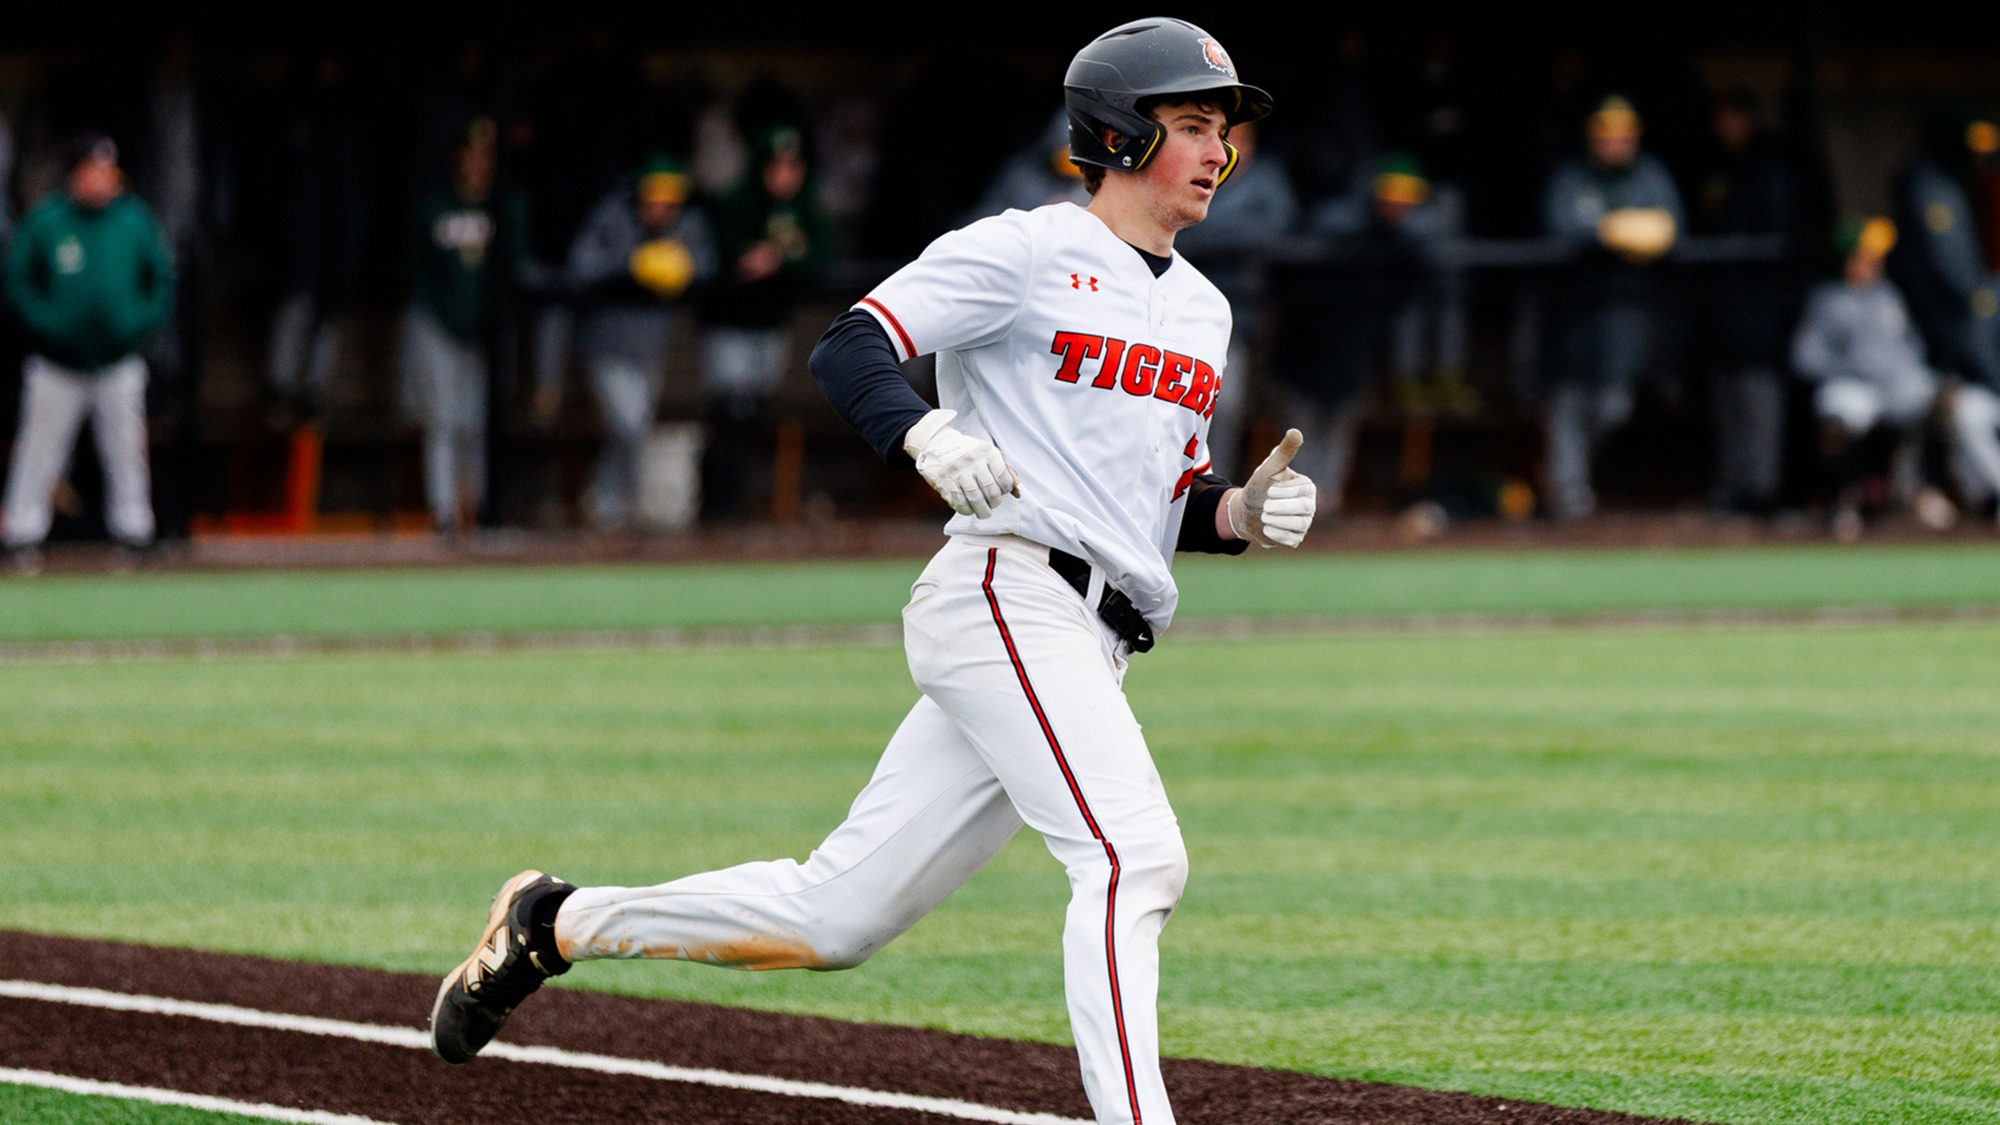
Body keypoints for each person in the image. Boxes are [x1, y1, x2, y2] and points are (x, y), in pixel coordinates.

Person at [427, 19, 1317, 1125]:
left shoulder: (1203, 306)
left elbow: (1157, 500)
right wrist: (920, 436)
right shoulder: (1025, 249)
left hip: (1092, 634)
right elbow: (850, 344)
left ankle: (552, 923)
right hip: (1007, 596)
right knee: (1136, 863)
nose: (1215, 152)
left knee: (832, 919)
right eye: (1188, 126)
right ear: (1115, 133)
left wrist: (1236, 513)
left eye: (1219, 131)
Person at [3, 133, 175, 574]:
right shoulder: (48, 221)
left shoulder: (134, 220)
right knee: (39, 450)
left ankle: (133, 533)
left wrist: (137, 323)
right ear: (75, 173)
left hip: (118, 361)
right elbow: (17, 282)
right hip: (56, 363)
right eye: (94, 169)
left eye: (108, 170)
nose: (102, 179)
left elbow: (161, 279)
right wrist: (49, 326)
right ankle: (21, 536)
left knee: (125, 449)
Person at [1792, 217, 2000, 535]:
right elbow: (1805, 358)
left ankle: (1938, 490)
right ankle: (1843, 502)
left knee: (1953, 403)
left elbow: (1912, 349)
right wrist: (1855, 368)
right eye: (1866, 256)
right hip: (1858, 387)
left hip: (1899, 387)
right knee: (1839, 413)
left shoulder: (1888, 295)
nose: (1875, 263)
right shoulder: (1828, 299)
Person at [1540, 94, 1684, 519]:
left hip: (1626, 309)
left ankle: (1572, 473)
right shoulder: (1573, 176)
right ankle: (1569, 489)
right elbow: (1561, 225)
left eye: (1622, 139)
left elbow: (1671, 229)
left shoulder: (1651, 176)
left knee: (1612, 404)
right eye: (1606, 138)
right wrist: (1614, 230)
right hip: (1574, 306)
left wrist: (1617, 231)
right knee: (1566, 398)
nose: (1614, 146)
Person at [567, 155, 716, 530]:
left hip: (650, 349)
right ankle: (626, 510)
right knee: (630, 426)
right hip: (607, 345)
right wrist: (631, 263)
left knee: (628, 430)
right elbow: (580, 264)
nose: (661, 209)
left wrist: (682, 263)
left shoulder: (685, 224)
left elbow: (708, 263)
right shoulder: (613, 217)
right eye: (654, 200)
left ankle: (604, 502)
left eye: (669, 202)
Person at [697, 124, 833, 522]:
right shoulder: (736, 201)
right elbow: (717, 258)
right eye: (776, 166)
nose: (785, 175)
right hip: (728, 324)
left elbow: (824, 252)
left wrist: (778, 262)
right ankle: (713, 505)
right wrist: (744, 263)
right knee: (728, 410)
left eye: (793, 166)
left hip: (771, 326)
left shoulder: (806, 203)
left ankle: (736, 503)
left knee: (753, 411)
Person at [403, 118, 513, 537]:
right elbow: (418, 275)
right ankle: (444, 513)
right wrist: (447, 318)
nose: (480, 163)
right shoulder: (434, 207)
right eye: (473, 154)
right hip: (438, 327)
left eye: (487, 156)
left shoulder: (505, 207)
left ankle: (482, 510)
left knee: (478, 423)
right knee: (443, 421)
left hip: (483, 333)